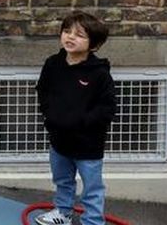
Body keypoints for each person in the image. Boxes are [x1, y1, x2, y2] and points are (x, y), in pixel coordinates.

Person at [34, 11, 117, 225]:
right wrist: (51, 115)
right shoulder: (53, 64)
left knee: (92, 187)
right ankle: (63, 212)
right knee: (62, 180)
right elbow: (42, 90)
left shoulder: (99, 74)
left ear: (94, 45)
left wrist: (82, 123)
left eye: (79, 35)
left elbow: (107, 109)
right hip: (59, 140)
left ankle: (93, 220)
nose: (70, 37)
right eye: (67, 31)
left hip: (88, 145)